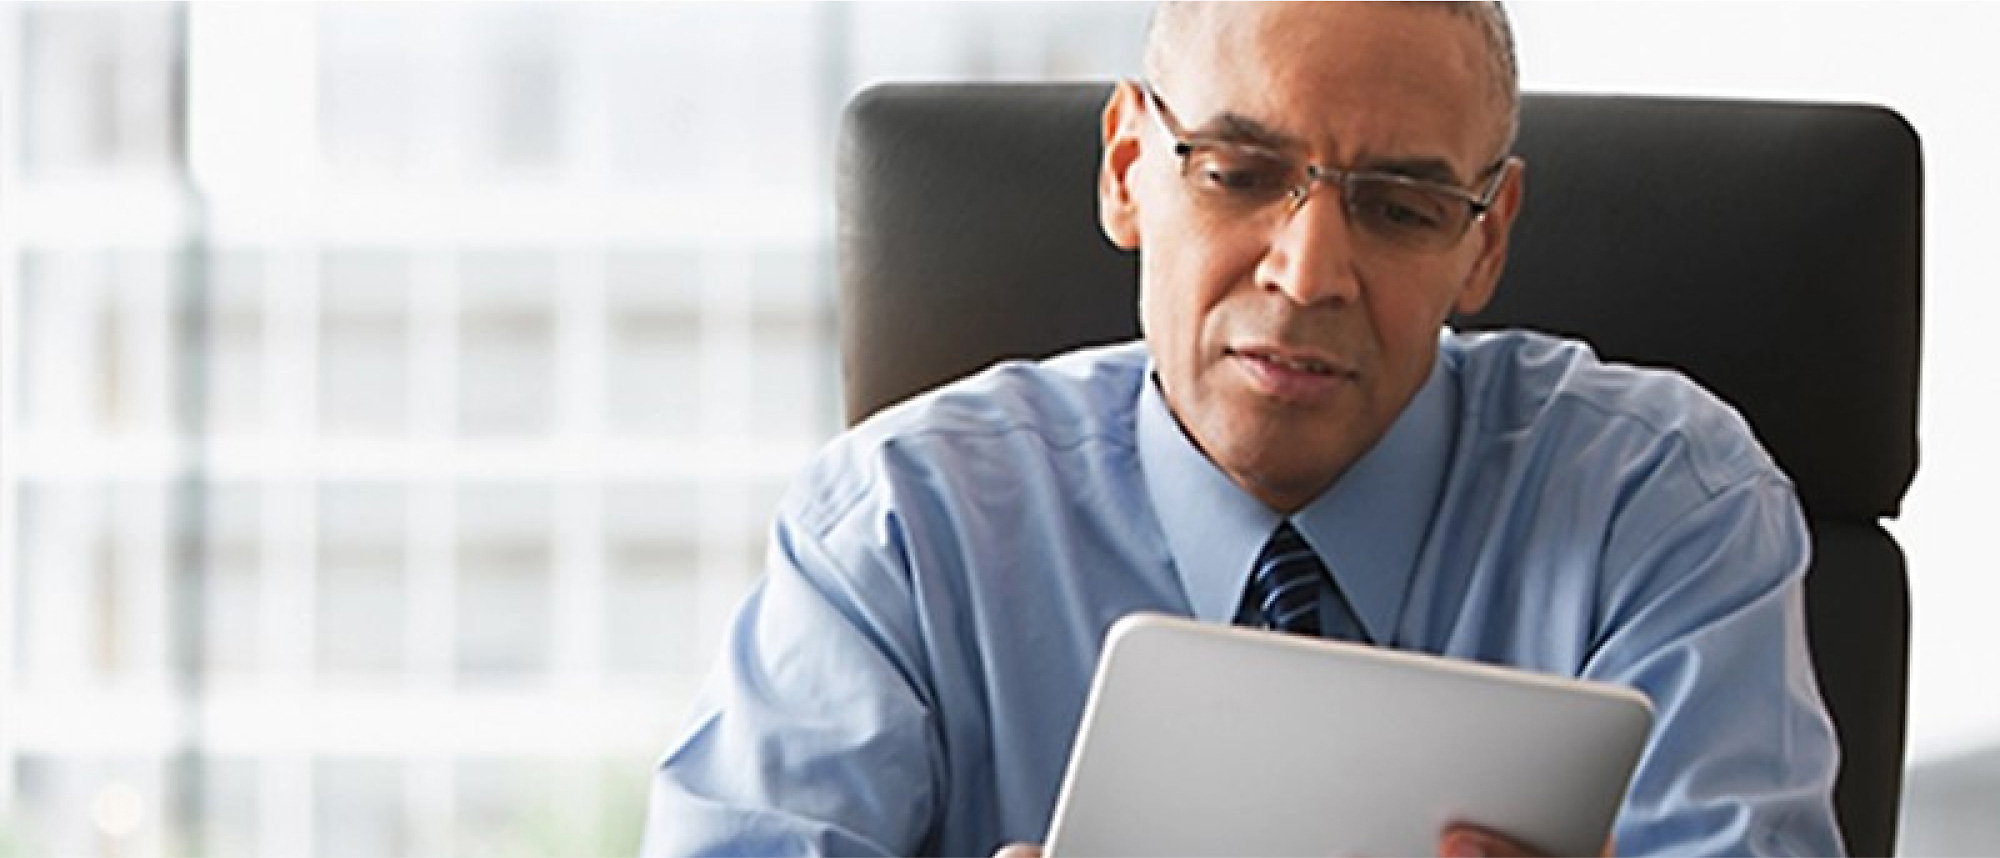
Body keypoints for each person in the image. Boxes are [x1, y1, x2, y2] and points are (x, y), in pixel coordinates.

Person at [642, 2, 1845, 856]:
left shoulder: (1667, 503)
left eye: (1401, 206)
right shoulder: (899, 527)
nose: (1309, 270)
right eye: (1236, 171)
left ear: (1484, 238)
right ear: (1127, 167)